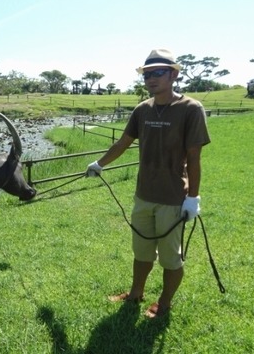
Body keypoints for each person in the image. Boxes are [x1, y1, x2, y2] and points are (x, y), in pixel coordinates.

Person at [86, 49, 211, 318]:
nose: (151, 79)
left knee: (170, 257)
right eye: (147, 74)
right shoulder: (142, 110)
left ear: (174, 74)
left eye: (158, 73)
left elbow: (194, 157)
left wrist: (193, 198)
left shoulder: (191, 109)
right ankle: (135, 293)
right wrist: (99, 164)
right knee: (141, 251)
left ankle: (164, 303)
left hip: (173, 197)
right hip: (143, 195)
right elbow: (122, 143)